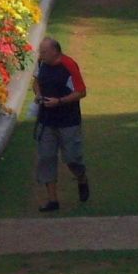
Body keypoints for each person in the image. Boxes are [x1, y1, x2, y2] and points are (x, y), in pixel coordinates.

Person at [34, 37, 89, 212]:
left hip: (68, 121)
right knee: (46, 157)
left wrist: (59, 101)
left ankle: (81, 178)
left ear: (55, 52)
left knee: (72, 158)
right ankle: (53, 200)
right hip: (47, 121)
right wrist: (38, 94)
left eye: (44, 52)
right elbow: (36, 82)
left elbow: (81, 92)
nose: (41, 55)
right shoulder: (41, 64)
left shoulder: (69, 65)